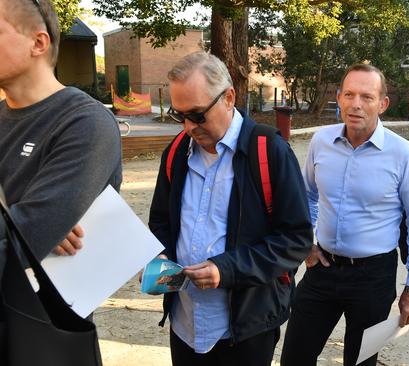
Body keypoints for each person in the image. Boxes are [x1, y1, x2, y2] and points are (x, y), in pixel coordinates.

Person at [148, 51, 312, 366]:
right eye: (178, 114)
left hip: (244, 330)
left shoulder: (269, 151)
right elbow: (161, 221)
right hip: (185, 325)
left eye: (197, 114)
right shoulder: (176, 153)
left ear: (229, 97)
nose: (188, 126)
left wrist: (227, 270)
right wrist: (161, 256)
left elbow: (296, 241)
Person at [280, 64, 409, 366]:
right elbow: (307, 196)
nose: (356, 104)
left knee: (360, 362)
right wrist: (305, 245)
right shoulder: (321, 142)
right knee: (295, 357)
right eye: (349, 94)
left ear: (383, 104)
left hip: (373, 277)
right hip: (321, 268)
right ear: (338, 98)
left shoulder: (403, 155)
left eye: (367, 96)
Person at [0, 0, 122, 359]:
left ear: (38, 43)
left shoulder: (86, 123)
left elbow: (26, 238)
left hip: (41, 336)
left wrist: (28, 228)